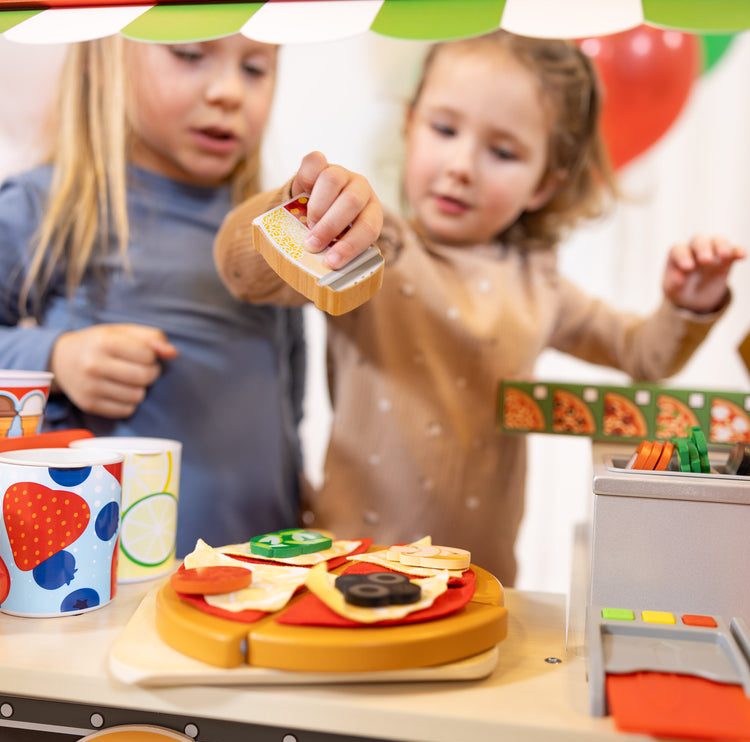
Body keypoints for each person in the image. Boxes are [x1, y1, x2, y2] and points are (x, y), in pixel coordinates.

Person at [213, 31, 744, 584]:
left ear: (545, 183)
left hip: (479, 584)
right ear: (409, 125)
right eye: (444, 129)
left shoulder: (539, 284)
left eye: (504, 152)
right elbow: (240, 272)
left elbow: (642, 355)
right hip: (350, 571)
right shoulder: (373, 247)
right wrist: (298, 212)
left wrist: (689, 303)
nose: (462, 165)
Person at [0, 34, 381, 557]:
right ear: (102, 63)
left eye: (255, 68)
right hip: (115, 575)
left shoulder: (272, 228)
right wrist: (54, 358)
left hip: (260, 566)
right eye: (188, 54)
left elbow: (285, 399)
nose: (229, 92)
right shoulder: (42, 205)